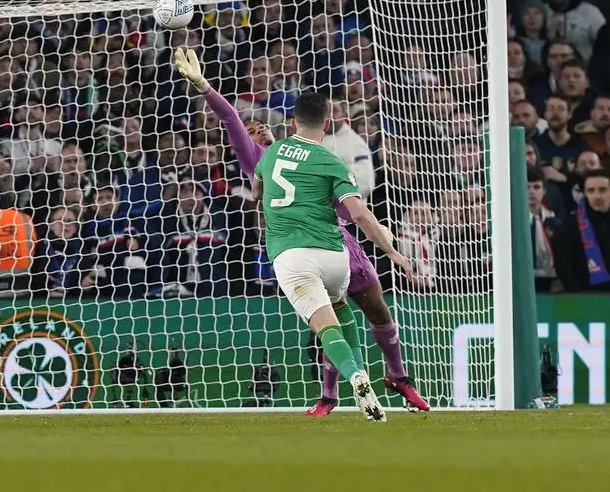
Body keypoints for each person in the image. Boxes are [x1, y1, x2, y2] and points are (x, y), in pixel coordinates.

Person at [172, 49, 427, 419]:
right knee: (336, 316)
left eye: (263, 127)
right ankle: (331, 394)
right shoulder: (259, 160)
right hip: (320, 242)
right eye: (251, 129)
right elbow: (230, 119)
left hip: (337, 242)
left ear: (287, 125)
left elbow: (337, 204)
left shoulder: (284, 155)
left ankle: (395, 377)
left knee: (374, 310)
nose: (257, 130)